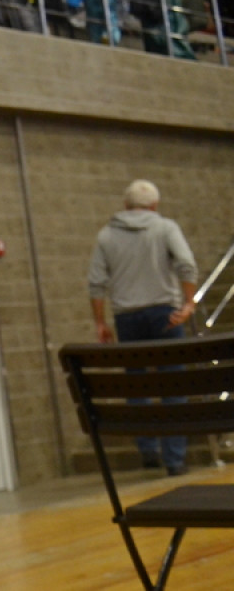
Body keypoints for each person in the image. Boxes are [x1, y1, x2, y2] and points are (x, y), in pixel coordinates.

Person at [88, 179, 199, 475]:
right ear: (154, 205)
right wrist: (188, 303)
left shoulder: (106, 235)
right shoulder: (166, 228)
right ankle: (174, 459)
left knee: (137, 385)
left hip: (127, 318)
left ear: (126, 205)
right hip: (166, 314)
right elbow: (186, 264)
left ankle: (148, 450)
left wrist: (100, 322)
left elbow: (96, 283)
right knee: (172, 384)